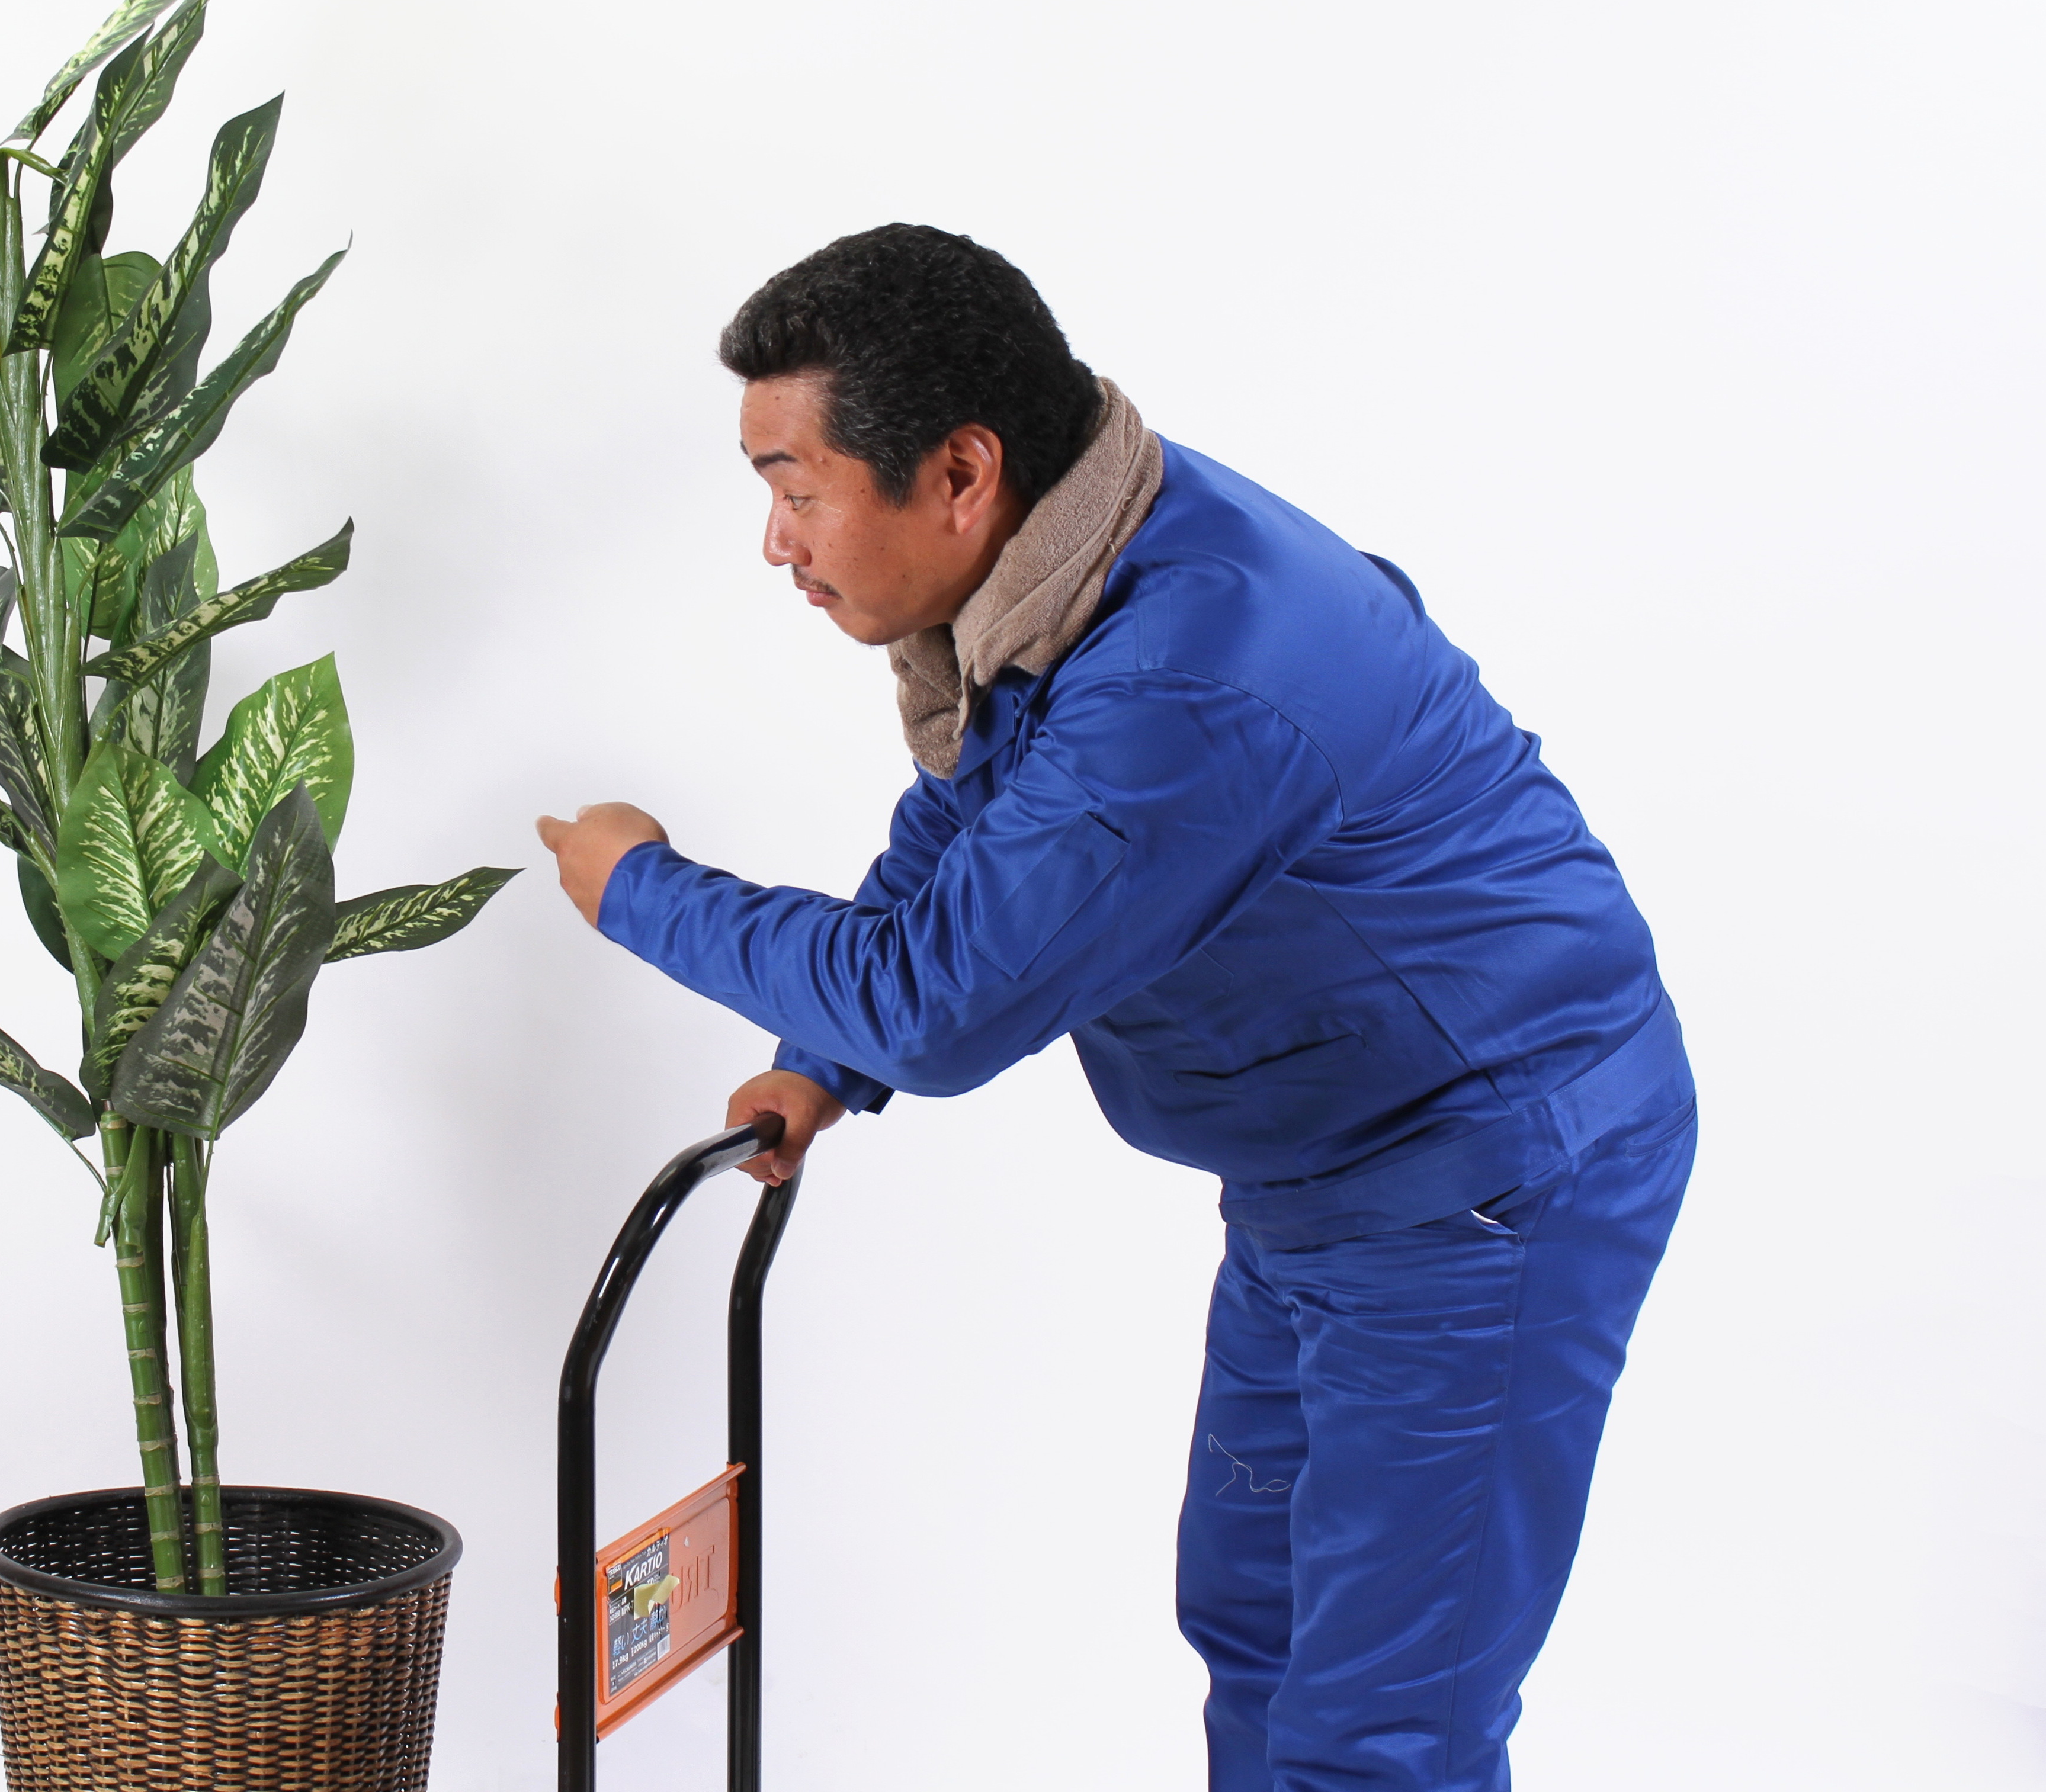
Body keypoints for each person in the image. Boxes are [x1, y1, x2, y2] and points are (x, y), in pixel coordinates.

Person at [534, 224, 1695, 1792]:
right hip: (1329, 1175)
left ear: (960, 472)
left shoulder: (1187, 674)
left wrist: (641, 890)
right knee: (1254, 1625)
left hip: (1486, 1183)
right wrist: (820, 1061)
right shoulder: (1076, 558)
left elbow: (942, 1005)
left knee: (1379, 1730)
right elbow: (980, 820)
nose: (775, 542)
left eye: (795, 489)